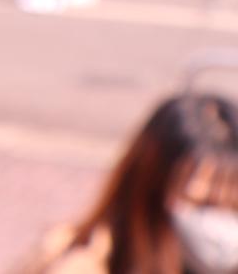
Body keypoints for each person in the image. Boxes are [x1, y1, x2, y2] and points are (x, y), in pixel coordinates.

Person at [21, 92, 238, 272]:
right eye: (204, 204)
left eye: (234, 207)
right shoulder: (85, 264)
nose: (221, 223)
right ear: (151, 189)